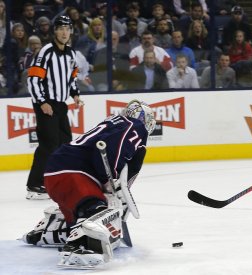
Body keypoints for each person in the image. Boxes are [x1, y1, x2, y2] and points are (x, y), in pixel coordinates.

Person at [22, 100, 155, 268]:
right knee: (95, 211)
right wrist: (110, 178)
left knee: (80, 212)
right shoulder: (135, 126)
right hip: (74, 173)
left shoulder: (112, 122)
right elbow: (114, 150)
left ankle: (50, 232)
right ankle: (79, 247)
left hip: (55, 171)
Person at [26, 15, 84, 200]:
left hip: (60, 104)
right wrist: (42, 102)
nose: (65, 32)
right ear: (55, 31)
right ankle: (34, 185)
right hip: (46, 104)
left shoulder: (71, 53)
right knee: (48, 144)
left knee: (65, 142)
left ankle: (58, 180)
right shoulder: (46, 52)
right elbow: (33, 80)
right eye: (61, 28)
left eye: (68, 28)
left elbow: (72, 77)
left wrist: (75, 94)